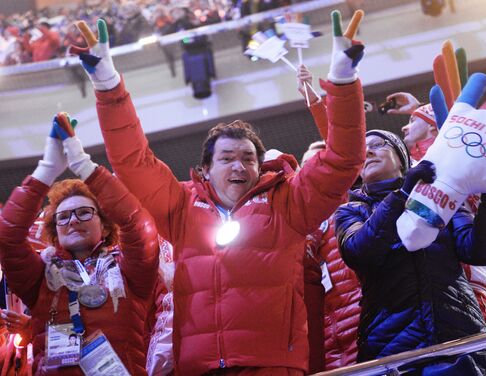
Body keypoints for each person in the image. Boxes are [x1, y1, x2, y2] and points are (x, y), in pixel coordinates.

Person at [73, 10, 366, 375]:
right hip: (199, 367)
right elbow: (132, 161)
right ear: (206, 170)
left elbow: (343, 160)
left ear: (260, 167)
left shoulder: (289, 203)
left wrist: (341, 79)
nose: (239, 166)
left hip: (273, 365)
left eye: (248, 158)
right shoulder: (180, 206)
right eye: (226, 158)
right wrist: (106, 82)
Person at [335, 129, 486, 374]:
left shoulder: (437, 196)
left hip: (458, 333)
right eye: (361, 150)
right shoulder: (351, 211)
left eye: (378, 144)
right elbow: (360, 252)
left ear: (401, 157)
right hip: (392, 345)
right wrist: (402, 195)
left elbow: (478, 251)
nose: (368, 151)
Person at [0, 113, 159, 374]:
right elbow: (7, 237)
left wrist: (84, 165)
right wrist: (47, 170)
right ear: (55, 231)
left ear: (105, 225)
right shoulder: (39, 276)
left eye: (84, 212)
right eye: (63, 217)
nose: (73, 220)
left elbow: (139, 227)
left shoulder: (129, 270)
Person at [297, 66, 363, 370]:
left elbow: (338, 140)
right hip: (323, 327)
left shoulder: (354, 200)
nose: (318, 171)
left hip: (363, 314)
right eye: (310, 166)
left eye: (324, 164)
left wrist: (313, 98)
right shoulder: (300, 222)